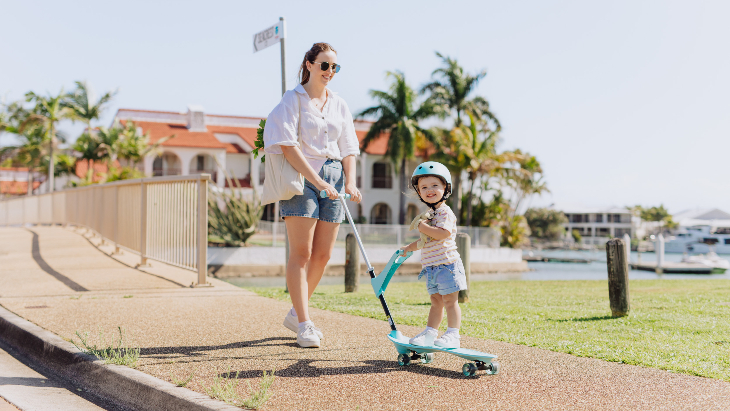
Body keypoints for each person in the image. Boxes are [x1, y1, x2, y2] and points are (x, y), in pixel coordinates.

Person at [263, 43, 361, 348]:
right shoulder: (293, 100)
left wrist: (351, 182)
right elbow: (288, 144)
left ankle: (296, 312)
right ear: (309, 65)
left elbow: (349, 147)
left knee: (323, 254)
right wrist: (316, 180)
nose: (329, 72)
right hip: (302, 178)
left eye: (334, 67)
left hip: (334, 178)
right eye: (324, 65)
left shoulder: (340, 104)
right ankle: (305, 324)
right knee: (301, 254)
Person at [399, 162, 467, 349]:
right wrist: (409, 248)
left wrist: (422, 226)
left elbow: (442, 234)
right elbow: (426, 240)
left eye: (435, 185)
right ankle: (430, 332)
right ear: (419, 192)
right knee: (436, 301)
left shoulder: (445, 212)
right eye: (424, 187)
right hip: (432, 267)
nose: (429, 190)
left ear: (445, 188)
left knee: (450, 301)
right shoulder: (430, 215)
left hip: (447, 265)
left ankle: (453, 334)